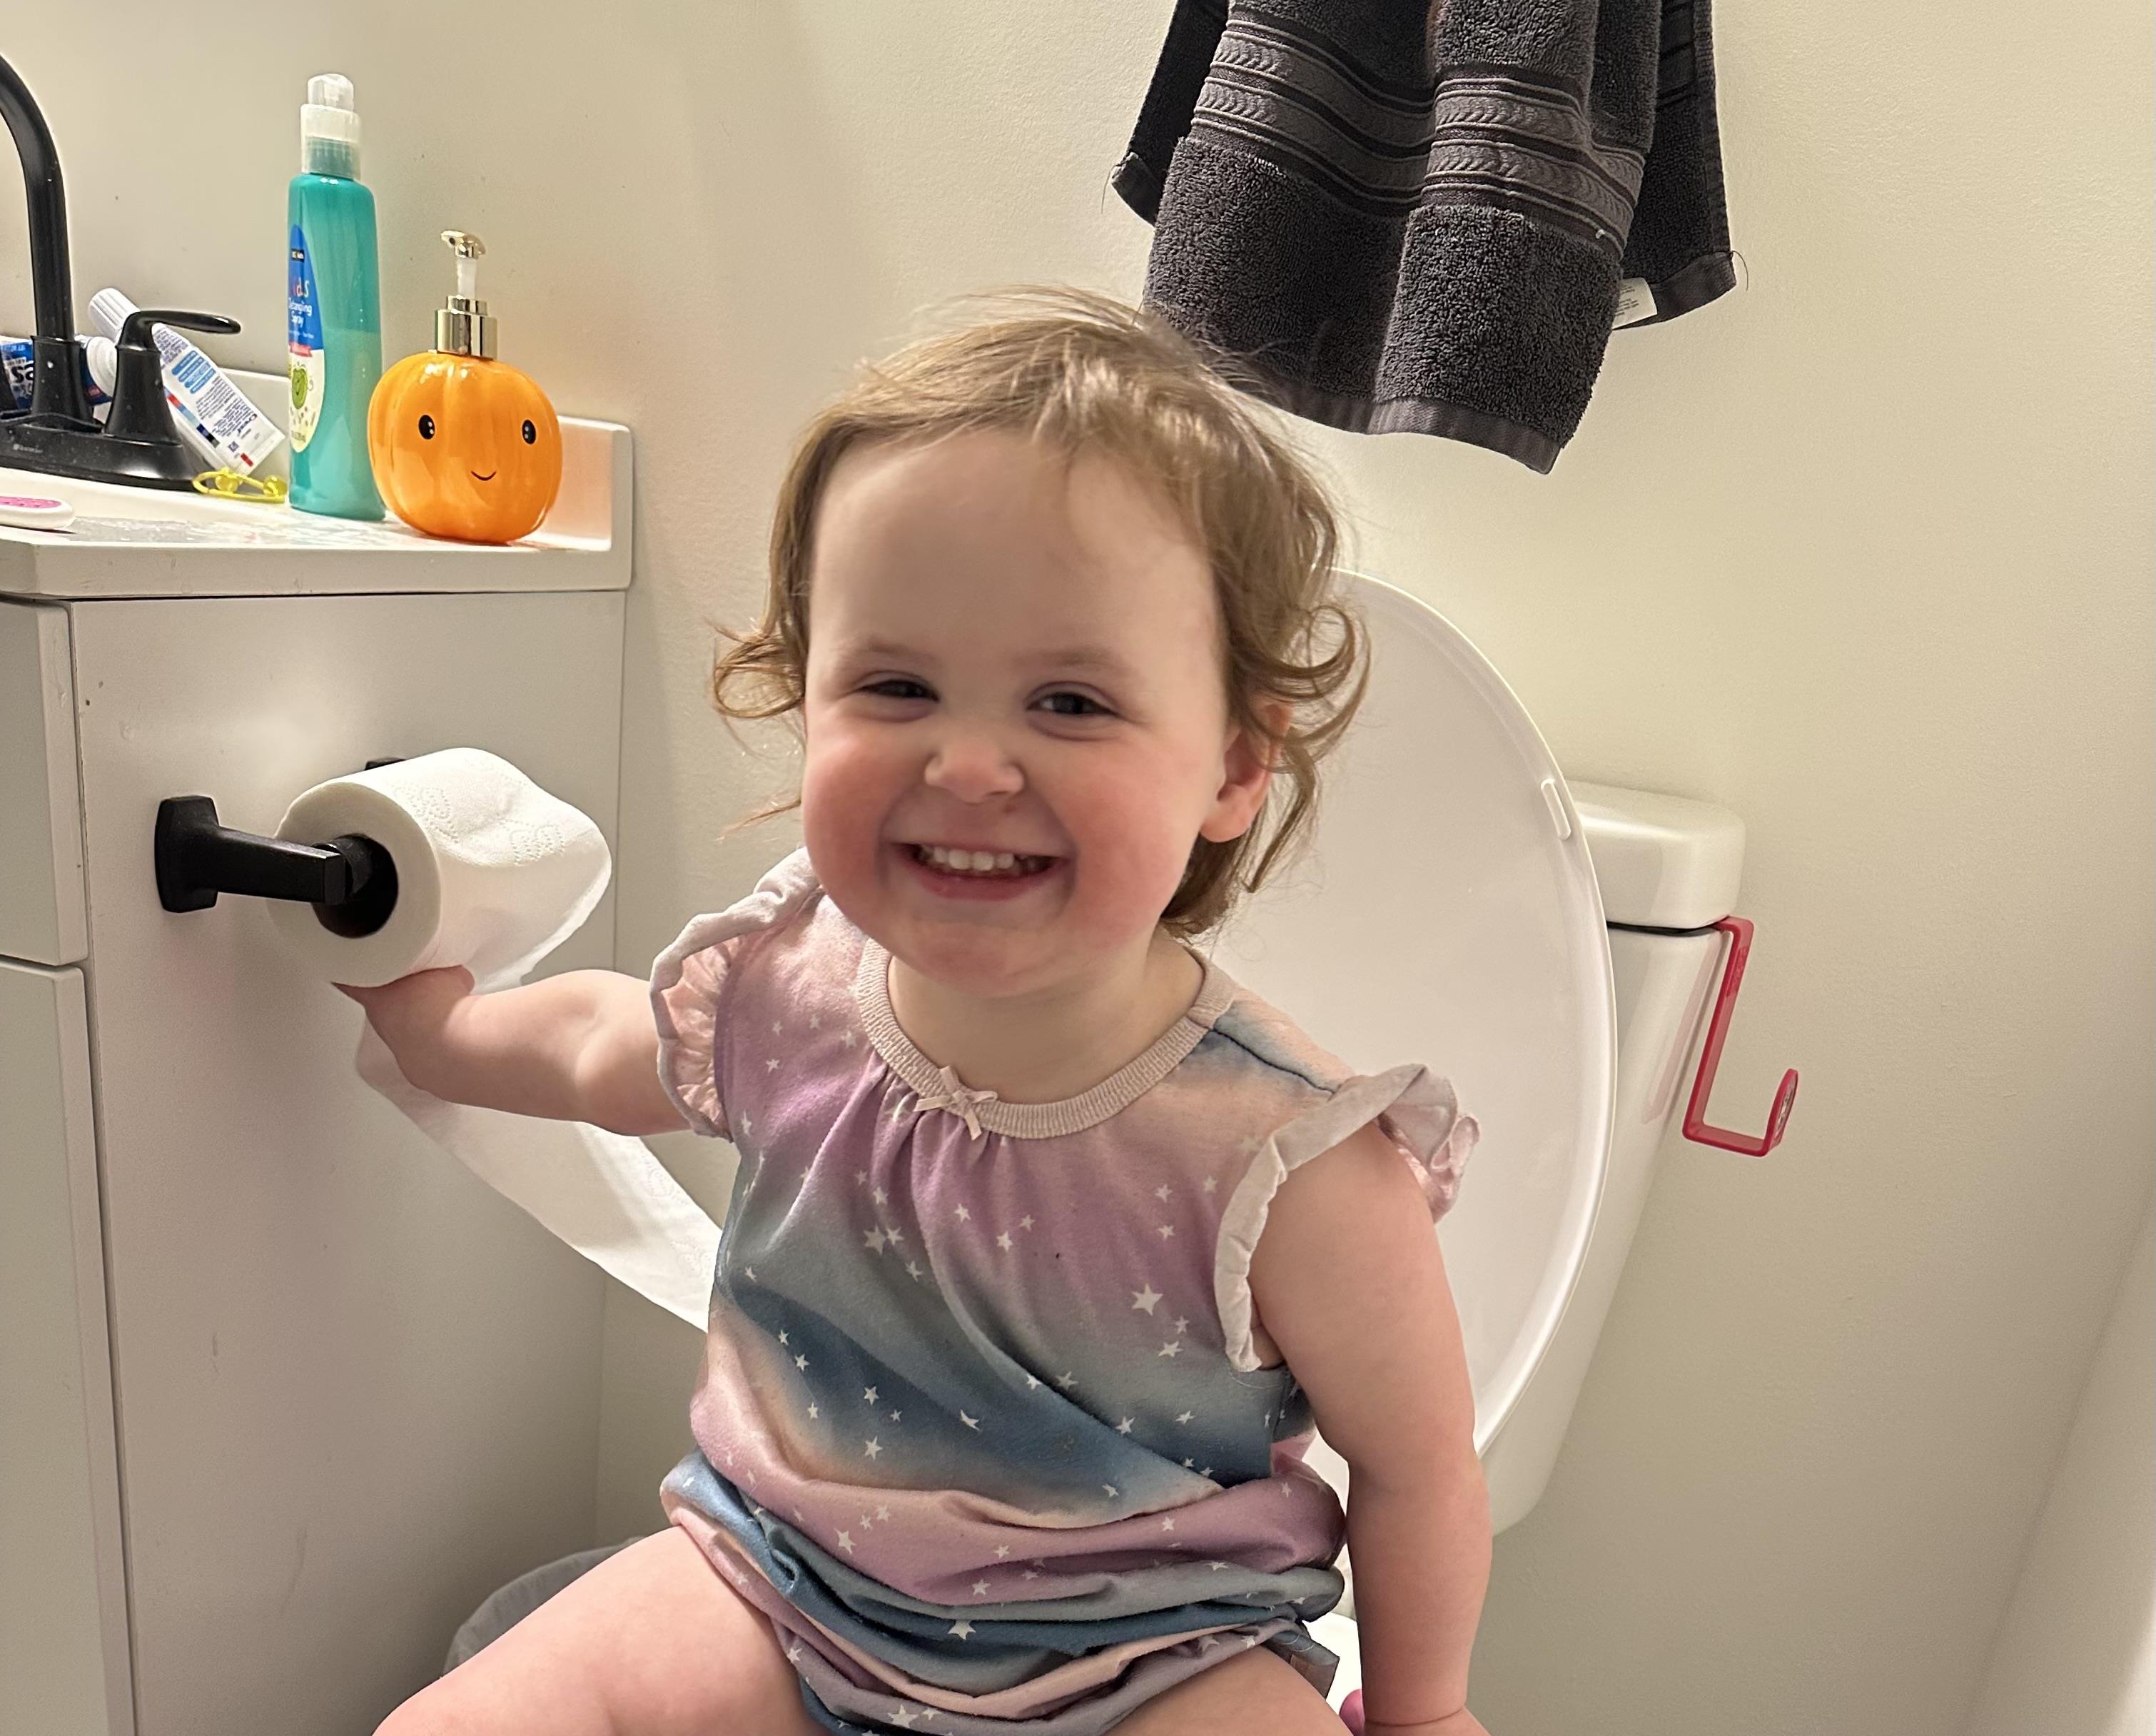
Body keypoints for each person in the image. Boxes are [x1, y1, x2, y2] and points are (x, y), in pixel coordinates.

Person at [347, 286, 1492, 1736]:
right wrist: (438, 1030)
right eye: (893, 683)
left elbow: (1417, 1466)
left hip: (1148, 1664)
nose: (965, 763)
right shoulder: (786, 991)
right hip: (771, 1585)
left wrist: (1424, 1713)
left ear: (1230, 766)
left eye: (1069, 703)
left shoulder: (1286, 1153)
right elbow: (595, 1043)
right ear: (802, 694)